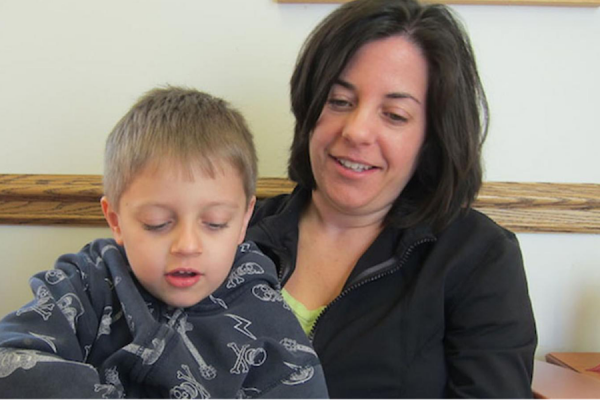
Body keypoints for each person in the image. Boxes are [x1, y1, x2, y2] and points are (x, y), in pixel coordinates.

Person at [246, 0, 537, 399]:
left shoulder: (478, 257)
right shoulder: (233, 231)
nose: (357, 131)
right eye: (340, 102)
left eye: (395, 115)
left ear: (431, 138)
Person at [0, 87, 329, 399]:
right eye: (157, 224)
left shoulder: (267, 320)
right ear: (115, 220)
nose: (187, 245)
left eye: (214, 223)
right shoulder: (85, 284)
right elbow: (10, 357)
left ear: (244, 220)